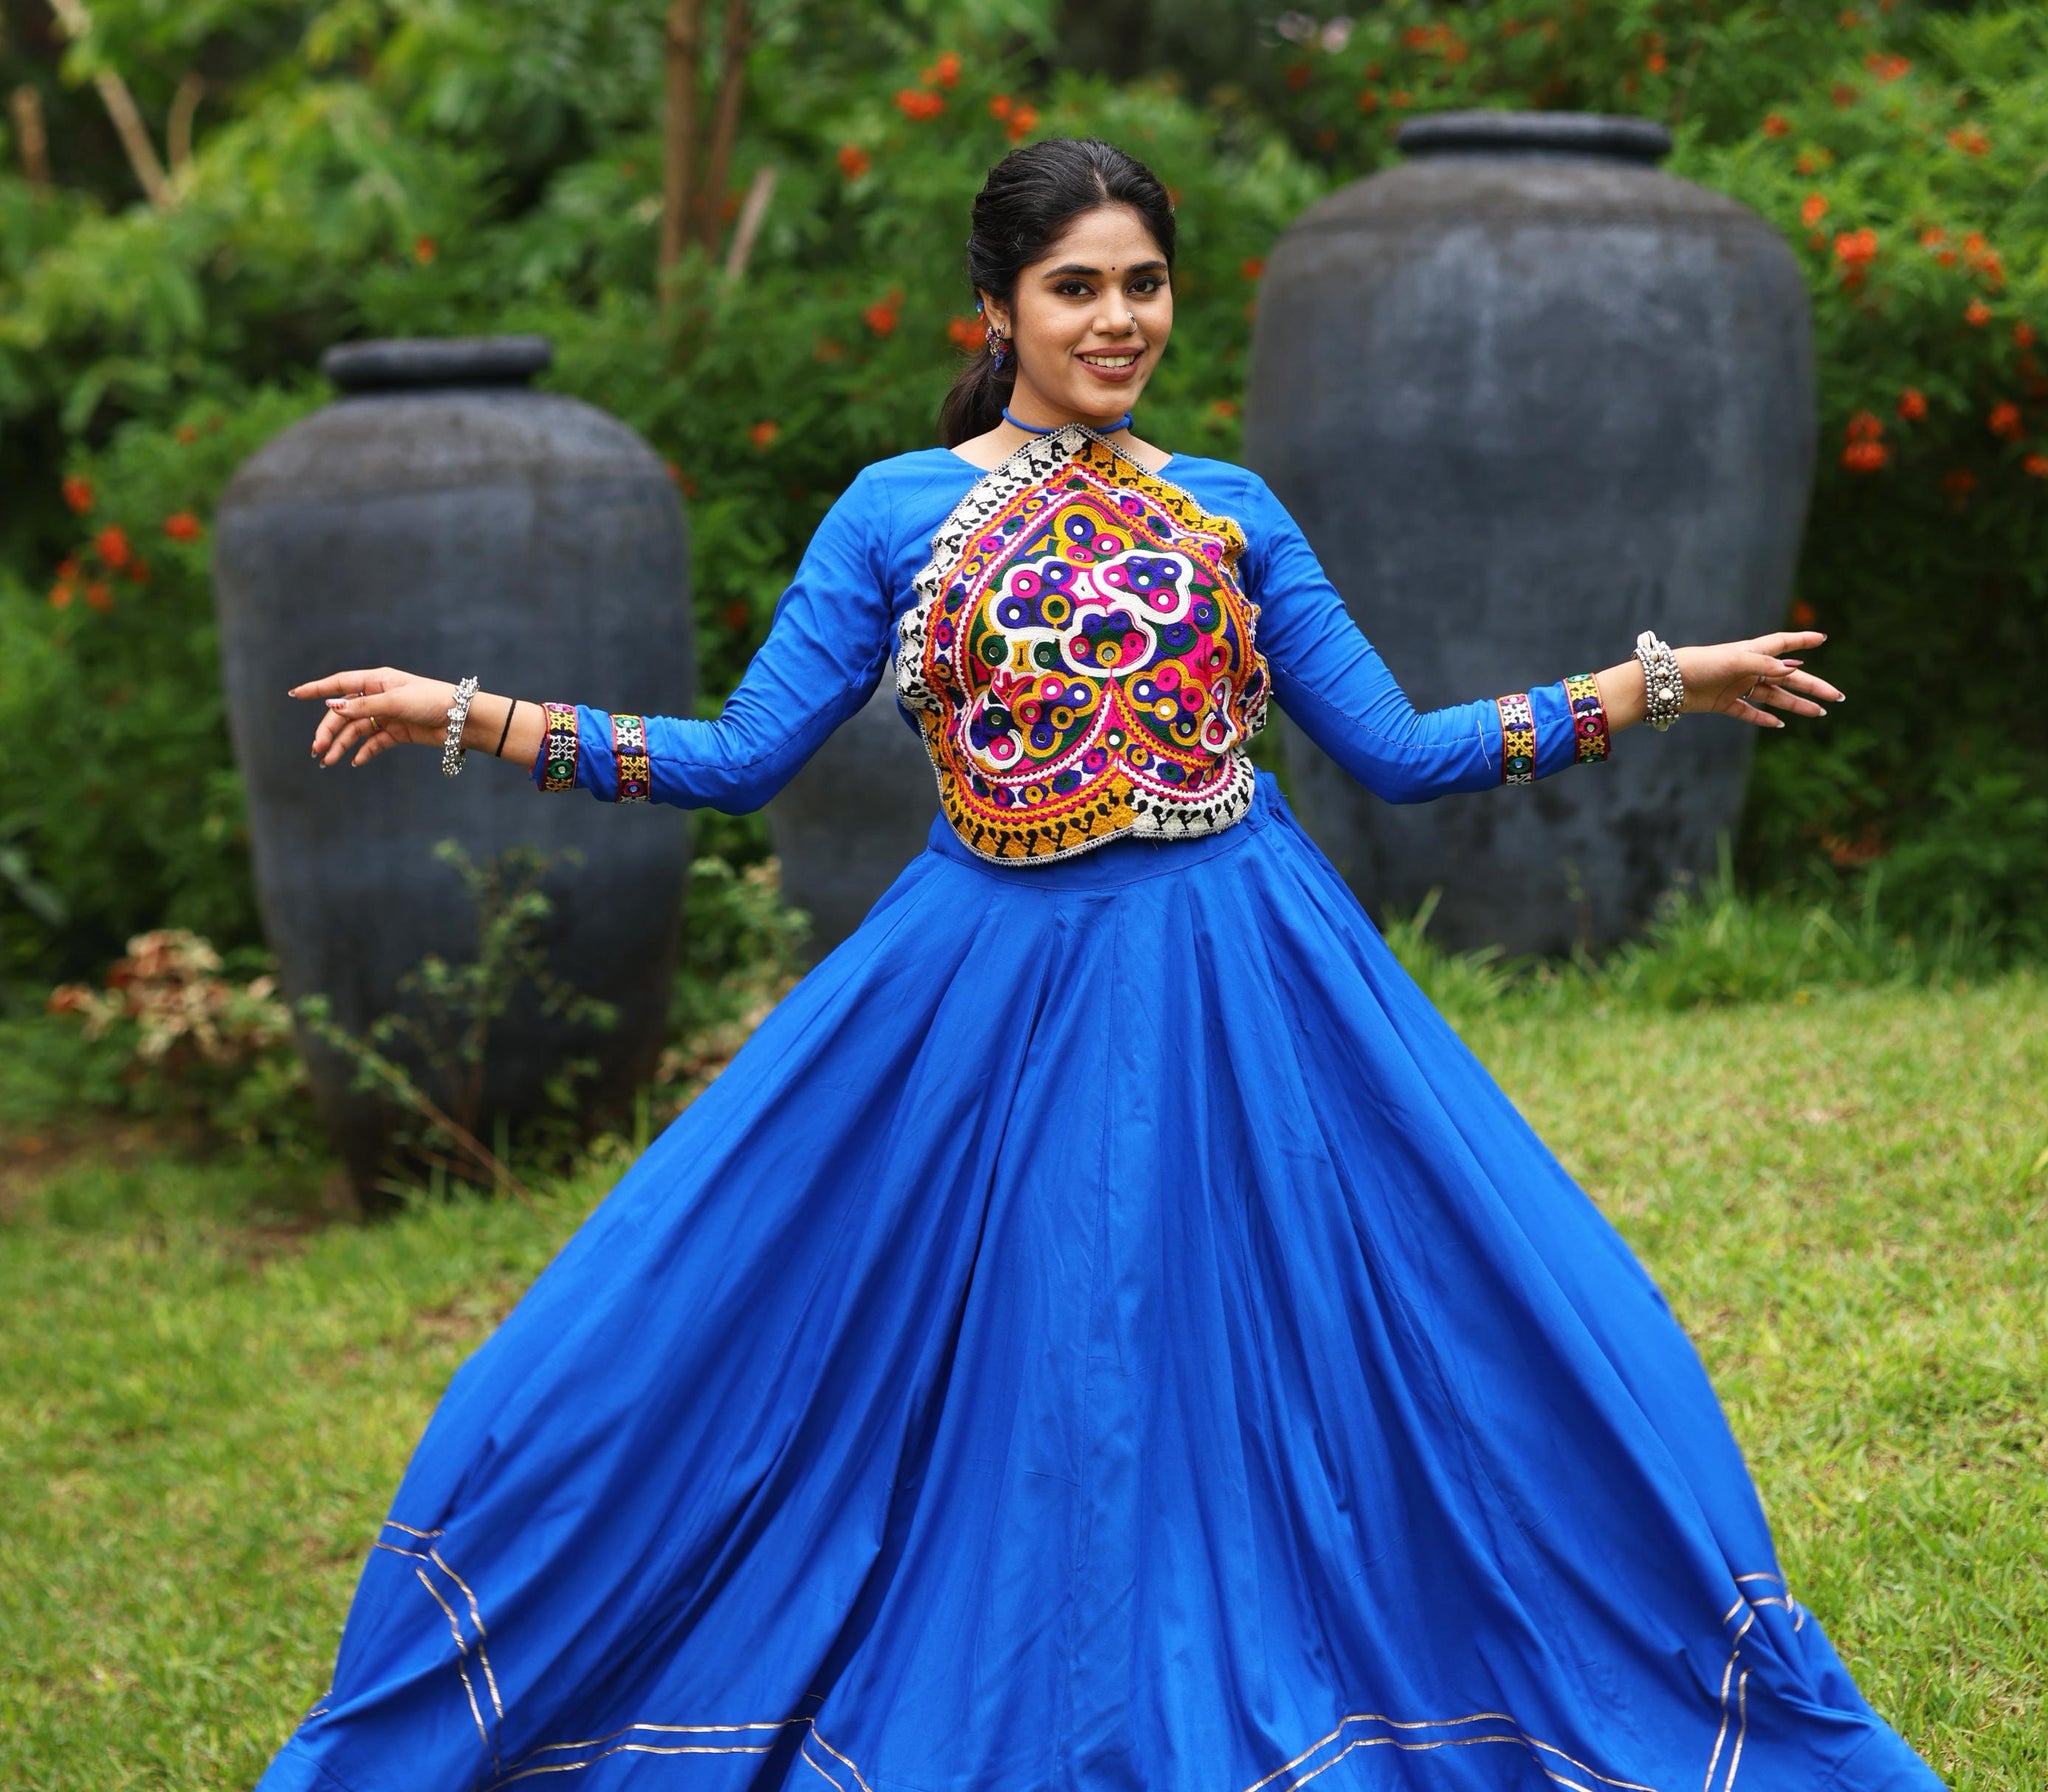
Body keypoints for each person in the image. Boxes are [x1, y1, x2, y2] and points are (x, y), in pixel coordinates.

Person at [265, 137, 1940, 1792]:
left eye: (1143, 284)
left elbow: (1405, 751)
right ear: (994, 306)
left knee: (1467, 1324)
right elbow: (735, 756)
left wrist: (1662, 680)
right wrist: (465, 714)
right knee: (836, 1336)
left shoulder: (1232, 511)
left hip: (1240, 976)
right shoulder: (893, 513)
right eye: (1077, 287)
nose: (1118, 318)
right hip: (987, 986)